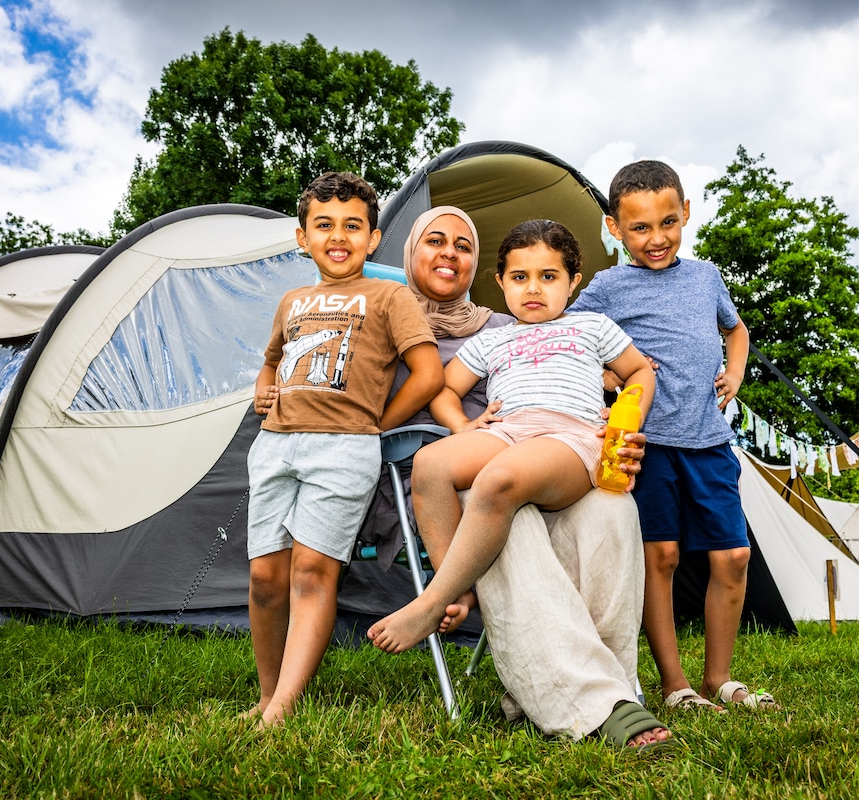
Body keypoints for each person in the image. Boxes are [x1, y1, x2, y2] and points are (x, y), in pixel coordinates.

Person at [353, 206, 671, 749]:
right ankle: (461, 594)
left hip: (571, 439)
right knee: (432, 464)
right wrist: (463, 426)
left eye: (549, 277)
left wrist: (625, 423)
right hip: (509, 431)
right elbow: (445, 390)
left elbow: (641, 371)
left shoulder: (591, 327)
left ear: (574, 282)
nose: (533, 289)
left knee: (497, 481)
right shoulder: (493, 339)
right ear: (499, 282)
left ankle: (433, 600)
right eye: (519, 277)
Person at [570, 160, 779, 713]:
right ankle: (675, 684)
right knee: (659, 555)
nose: (656, 238)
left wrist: (734, 372)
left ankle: (719, 678)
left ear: (686, 213)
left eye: (668, 222)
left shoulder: (706, 277)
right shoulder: (608, 287)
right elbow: (572, 342)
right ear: (614, 228)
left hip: (709, 441)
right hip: (647, 443)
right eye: (639, 228)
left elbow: (736, 330)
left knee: (732, 557)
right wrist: (613, 377)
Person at [245, 172, 444, 727]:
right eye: (324, 225)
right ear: (301, 237)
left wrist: (374, 423)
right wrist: (264, 384)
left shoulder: (389, 295)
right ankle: (265, 694)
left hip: (345, 450)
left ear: (373, 239)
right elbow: (271, 360)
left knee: (312, 570)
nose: (339, 236)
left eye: (353, 225)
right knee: (265, 577)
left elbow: (427, 374)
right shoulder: (291, 301)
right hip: (275, 445)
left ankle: (281, 709)